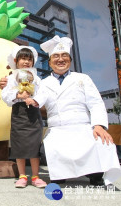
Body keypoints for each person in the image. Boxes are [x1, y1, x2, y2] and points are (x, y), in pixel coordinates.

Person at [24, 35, 121, 186]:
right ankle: (61, 174)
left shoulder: (83, 78)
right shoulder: (43, 83)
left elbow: (96, 103)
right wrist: (8, 85)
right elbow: (29, 93)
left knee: (102, 140)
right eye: (56, 56)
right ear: (49, 62)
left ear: (70, 60)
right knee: (52, 154)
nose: (60, 59)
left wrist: (99, 125)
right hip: (58, 130)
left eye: (64, 56)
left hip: (83, 127)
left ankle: (95, 174)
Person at [1, 46, 47, 188]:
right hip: (18, 113)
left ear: (33, 62)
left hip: (33, 114)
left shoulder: (37, 78)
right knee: (19, 146)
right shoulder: (10, 77)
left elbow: (43, 93)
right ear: (16, 61)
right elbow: (5, 95)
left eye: (29, 59)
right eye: (23, 59)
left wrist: (35, 100)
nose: (26, 62)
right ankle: (22, 176)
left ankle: (35, 177)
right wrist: (17, 95)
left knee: (34, 147)